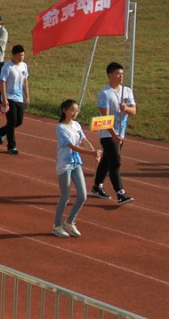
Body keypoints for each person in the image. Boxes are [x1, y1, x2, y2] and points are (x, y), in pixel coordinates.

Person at [53, 99, 102, 238]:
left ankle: (69, 222)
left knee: (82, 195)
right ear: (65, 110)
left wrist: (95, 153)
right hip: (65, 163)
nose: (75, 113)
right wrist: (91, 153)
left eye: (77, 110)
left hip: (76, 162)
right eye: (72, 110)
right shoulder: (60, 127)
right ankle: (57, 225)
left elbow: (84, 140)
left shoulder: (77, 125)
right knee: (66, 195)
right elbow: (71, 146)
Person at [91, 62, 137, 205]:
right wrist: (113, 135)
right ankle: (120, 193)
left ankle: (97, 186)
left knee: (107, 160)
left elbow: (133, 111)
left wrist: (125, 109)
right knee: (115, 162)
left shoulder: (127, 91)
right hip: (107, 134)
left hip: (121, 132)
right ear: (110, 75)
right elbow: (104, 117)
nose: (121, 76)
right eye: (118, 74)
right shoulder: (104, 93)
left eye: (122, 74)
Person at [0, 45, 29, 155]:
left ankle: (1, 131)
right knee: (12, 121)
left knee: (19, 121)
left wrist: (27, 96)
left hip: (19, 97)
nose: (21, 57)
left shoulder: (24, 66)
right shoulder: (7, 67)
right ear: (13, 55)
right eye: (19, 55)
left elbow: (25, 81)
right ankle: (11, 146)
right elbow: (2, 82)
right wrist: (4, 99)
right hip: (9, 97)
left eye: (23, 55)